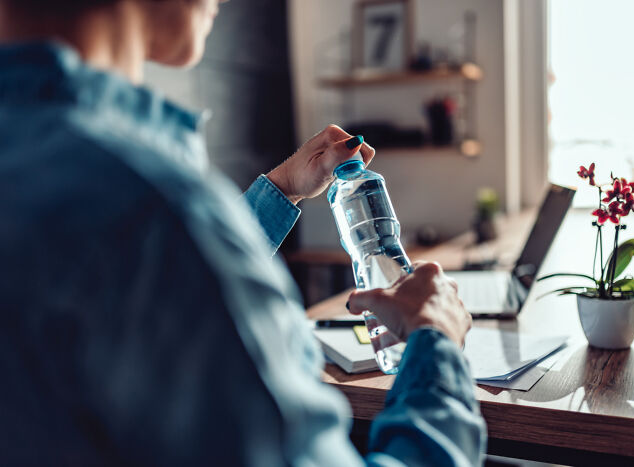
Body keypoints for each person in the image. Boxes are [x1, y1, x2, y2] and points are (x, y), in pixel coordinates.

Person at [0, 0, 487, 465]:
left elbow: (154, 294)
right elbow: (162, 252)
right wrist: (436, 345)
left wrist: (280, 189)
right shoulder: (156, 208)